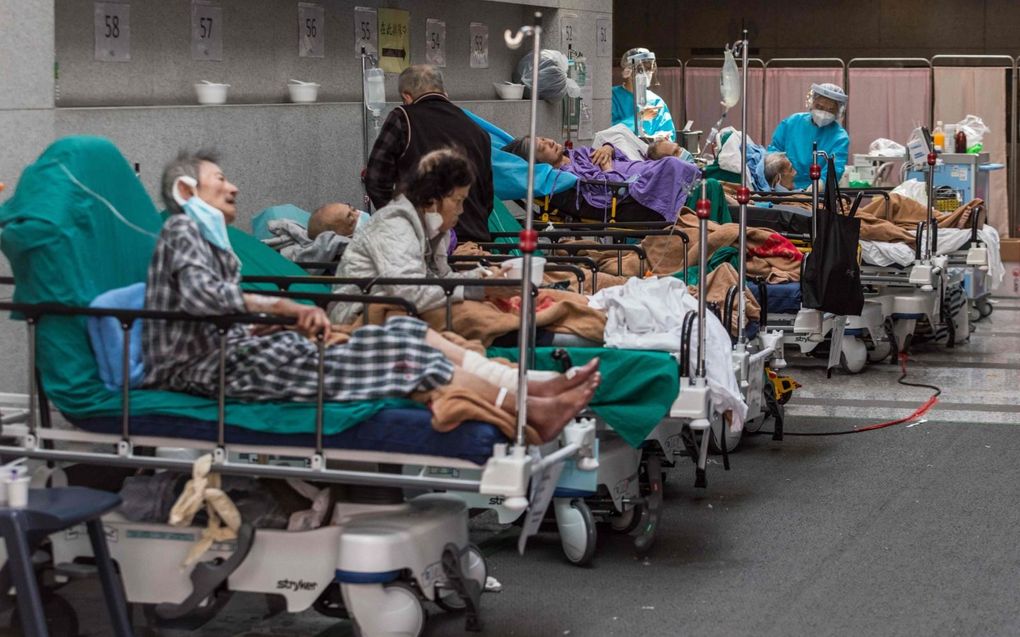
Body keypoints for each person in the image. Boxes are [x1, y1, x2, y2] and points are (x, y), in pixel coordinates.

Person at [145, 149, 600, 442]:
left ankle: (530, 393)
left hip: (235, 353)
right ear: (186, 192)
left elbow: (207, 307)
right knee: (402, 348)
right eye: (219, 180)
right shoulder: (184, 230)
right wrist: (280, 307)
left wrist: (269, 320)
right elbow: (209, 303)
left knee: (405, 337)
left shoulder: (209, 242)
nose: (233, 186)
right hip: (211, 368)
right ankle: (527, 406)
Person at [331, 149, 505, 325]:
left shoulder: (433, 229)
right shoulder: (394, 227)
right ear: (433, 199)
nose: (461, 210)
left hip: (401, 307)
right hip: (359, 316)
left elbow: (441, 279)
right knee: (467, 312)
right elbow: (408, 292)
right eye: (458, 201)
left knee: (480, 306)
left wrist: (484, 277)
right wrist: (480, 287)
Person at [364, 64, 494, 243]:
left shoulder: (403, 118)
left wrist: (399, 224)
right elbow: (487, 197)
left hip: (424, 241)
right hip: (476, 241)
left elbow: (375, 180)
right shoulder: (479, 131)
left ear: (406, 97)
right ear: (444, 93)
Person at [502, 136, 700, 224]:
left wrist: (609, 148)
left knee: (689, 176)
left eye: (544, 138)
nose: (549, 142)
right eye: (541, 147)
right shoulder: (566, 179)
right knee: (673, 165)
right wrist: (607, 169)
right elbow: (604, 196)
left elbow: (622, 158)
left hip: (642, 169)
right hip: (635, 187)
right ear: (537, 162)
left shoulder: (579, 153)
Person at [767, 83, 849, 190]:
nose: (823, 113)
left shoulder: (840, 138)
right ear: (812, 102)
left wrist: (820, 184)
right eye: (819, 107)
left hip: (817, 193)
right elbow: (774, 152)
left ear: (839, 112)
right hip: (783, 187)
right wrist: (778, 179)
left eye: (830, 110)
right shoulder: (792, 123)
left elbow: (836, 167)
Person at [611, 48, 676, 141]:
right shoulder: (613, 97)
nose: (648, 72)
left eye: (650, 67)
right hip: (621, 149)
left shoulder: (656, 101)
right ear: (628, 71)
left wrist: (660, 138)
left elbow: (669, 133)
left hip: (651, 152)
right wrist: (639, 117)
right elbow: (609, 130)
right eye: (642, 68)